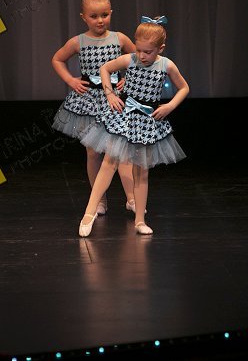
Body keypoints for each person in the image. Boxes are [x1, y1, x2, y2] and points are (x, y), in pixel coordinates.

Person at [78, 16, 189, 236]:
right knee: (109, 162)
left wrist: (170, 106)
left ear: (160, 49)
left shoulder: (166, 65)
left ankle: (139, 220)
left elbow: (184, 87)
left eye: (148, 52)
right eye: (139, 50)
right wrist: (110, 94)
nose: (142, 55)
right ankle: (89, 213)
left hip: (147, 121)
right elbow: (105, 69)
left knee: (141, 171)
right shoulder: (130, 59)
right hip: (125, 117)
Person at [51, 0, 138, 216]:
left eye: (104, 15)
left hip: (115, 101)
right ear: (84, 17)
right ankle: (99, 199)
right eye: (94, 16)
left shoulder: (120, 38)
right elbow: (57, 59)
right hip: (89, 102)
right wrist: (71, 80)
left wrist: (128, 79)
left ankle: (131, 199)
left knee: (121, 151)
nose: (100, 20)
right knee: (93, 153)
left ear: (111, 13)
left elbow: (139, 59)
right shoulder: (78, 42)